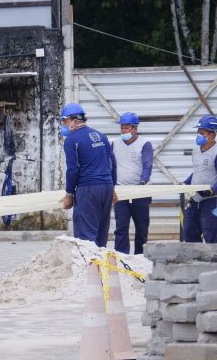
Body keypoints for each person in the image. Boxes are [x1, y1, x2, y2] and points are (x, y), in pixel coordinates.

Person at [59, 102, 118, 248]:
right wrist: (113, 189)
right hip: (106, 188)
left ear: (74, 120)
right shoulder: (101, 136)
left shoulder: (71, 141)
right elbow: (113, 163)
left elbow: (73, 169)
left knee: (86, 237)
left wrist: (69, 194)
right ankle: (101, 269)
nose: (64, 125)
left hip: (88, 189)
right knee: (101, 234)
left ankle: (89, 270)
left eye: (65, 121)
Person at [111, 112, 153, 254]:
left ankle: (140, 257)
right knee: (121, 228)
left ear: (134, 128)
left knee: (141, 228)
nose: (123, 131)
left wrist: (142, 184)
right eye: (122, 128)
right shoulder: (114, 144)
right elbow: (110, 165)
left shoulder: (144, 144)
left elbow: (147, 166)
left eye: (126, 128)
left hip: (140, 192)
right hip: (121, 192)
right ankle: (121, 257)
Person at [183, 114, 217, 243]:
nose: (198, 135)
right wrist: (185, 184)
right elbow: (198, 172)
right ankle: (193, 261)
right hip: (195, 198)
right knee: (189, 231)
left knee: (211, 233)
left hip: (212, 200)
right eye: (198, 132)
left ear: (212, 135)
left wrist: (212, 190)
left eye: (202, 133)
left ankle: (213, 262)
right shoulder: (196, 150)